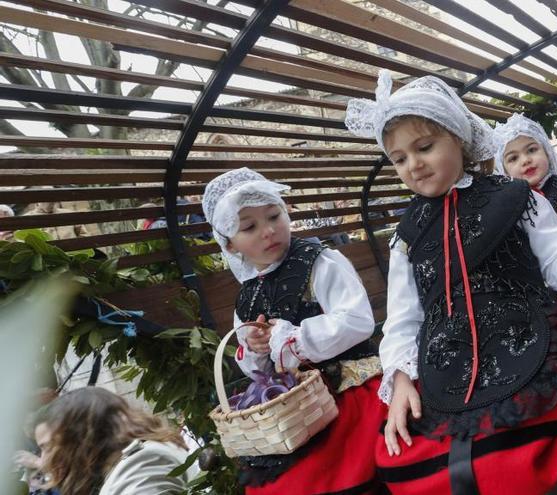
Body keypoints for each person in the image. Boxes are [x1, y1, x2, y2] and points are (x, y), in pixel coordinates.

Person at [345, 70, 557, 494]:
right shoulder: (406, 237)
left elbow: (556, 262)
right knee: (416, 461)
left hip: (525, 337)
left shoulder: (515, 196)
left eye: (424, 147)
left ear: (458, 138)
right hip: (447, 361)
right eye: (399, 158)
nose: (414, 165)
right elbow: (405, 317)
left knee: (514, 451)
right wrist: (401, 376)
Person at [201, 167, 384, 494]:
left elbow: (356, 320)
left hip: (350, 385)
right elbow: (252, 360)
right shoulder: (247, 295)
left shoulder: (320, 261)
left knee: (341, 467)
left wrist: (291, 337)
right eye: (250, 227)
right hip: (296, 406)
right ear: (230, 245)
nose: (268, 231)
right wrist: (258, 348)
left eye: (274, 216)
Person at [34, 387, 199, 495]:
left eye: (47, 447)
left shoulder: (143, 463)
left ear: (79, 437)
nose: (43, 461)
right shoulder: (134, 459)